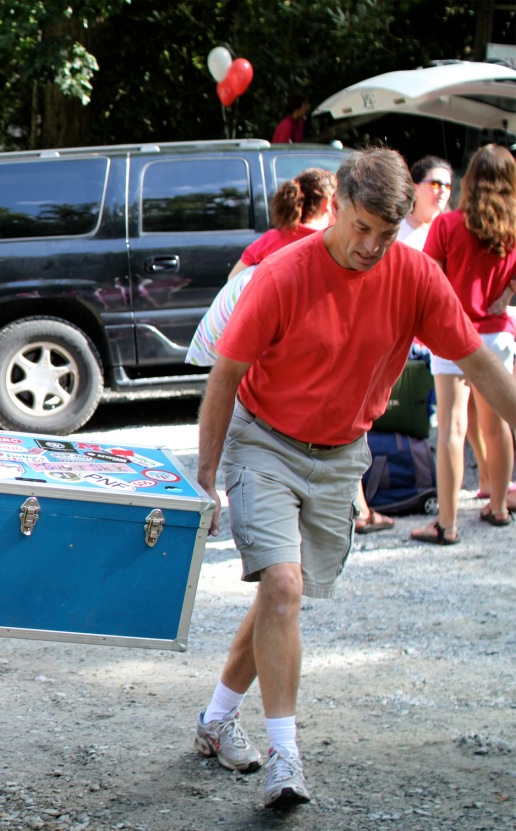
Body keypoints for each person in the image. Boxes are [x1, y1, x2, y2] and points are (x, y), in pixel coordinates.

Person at [192, 148, 516, 809]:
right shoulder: (282, 275)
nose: (371, 246)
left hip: (341, 451)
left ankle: (216, 718)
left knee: (279, 598)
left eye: (386, 234)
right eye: (362, 227)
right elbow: (224, 376)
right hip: (264, 439)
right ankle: (286, 757)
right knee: (282, 584)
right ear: (336, 206)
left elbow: (479, 365)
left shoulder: (416, 276)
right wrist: (207, 476)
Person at [187, 169, 395, 535]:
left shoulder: (270, 240)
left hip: (257, 374)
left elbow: (233, 285)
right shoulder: (328, 245)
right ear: (334, 205)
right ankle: (358, 509)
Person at [411, 144, 516, 542]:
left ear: (470, 179)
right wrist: (505, 298)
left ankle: (448, 524)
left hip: (454, 333)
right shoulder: (513, 226)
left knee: (452, 429)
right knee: (497, 424)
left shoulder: (448, 224)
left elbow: (432, 278)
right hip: (497, 332)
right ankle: (499, 508)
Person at [397, 155, 453, 249]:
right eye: (435, 184)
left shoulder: (451, 232)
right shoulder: (396, 228)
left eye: (447, 186)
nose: (443, 190)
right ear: (415, 188)